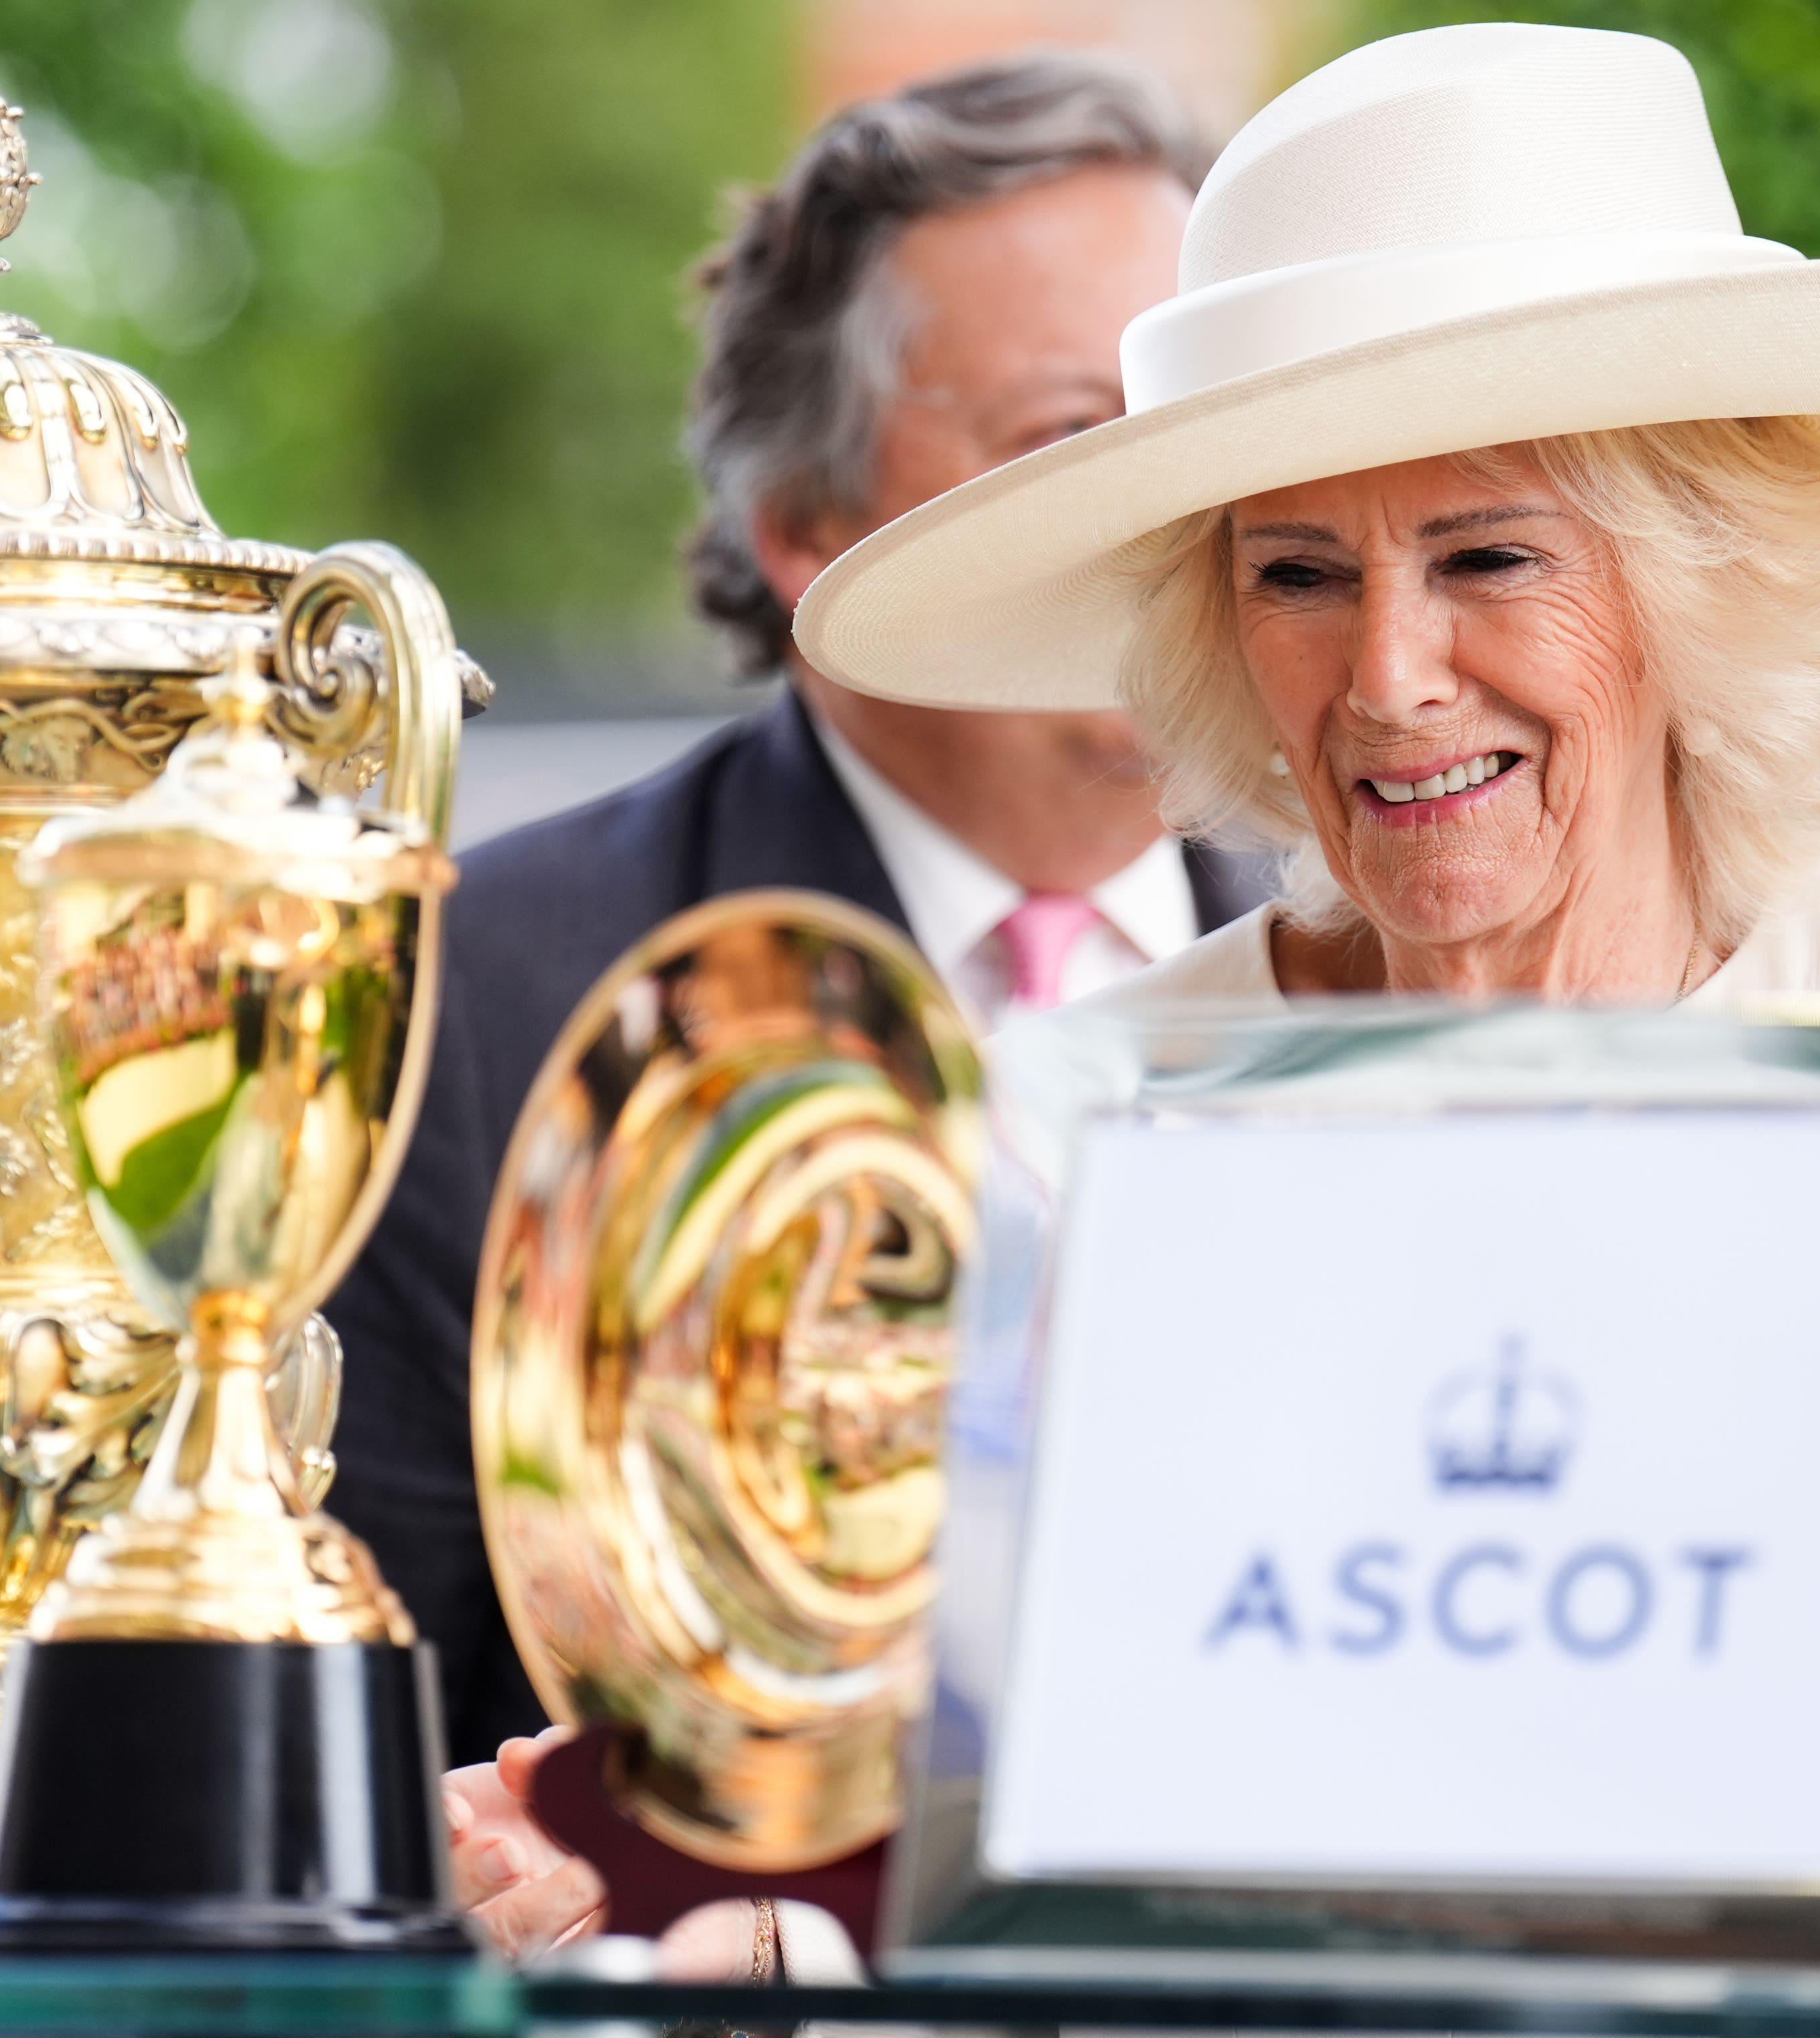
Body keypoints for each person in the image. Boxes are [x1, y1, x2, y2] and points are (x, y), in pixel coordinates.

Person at [775, 23, 1820, 2036]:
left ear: (1697, 580)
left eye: (1487, 558)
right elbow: (1019, 1854)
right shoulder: (1093, 1115)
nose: (1387, 679)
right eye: (1297, 575)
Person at [317, 47, 1272, 1886]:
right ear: (807, 524)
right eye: (1073, 439)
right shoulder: (456, 1016)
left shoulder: (1397, 976)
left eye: (1203, 435)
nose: (1174, 527)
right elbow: (369, 1763)